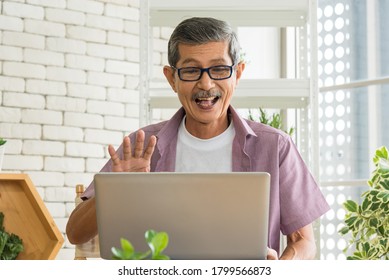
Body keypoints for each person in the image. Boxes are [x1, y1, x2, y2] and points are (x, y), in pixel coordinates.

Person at [66, 17, 330, 260]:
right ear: (172, 79)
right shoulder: (142, 145)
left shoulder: (275, 146)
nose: (205, 85)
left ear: (237, 74)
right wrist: (116, 190)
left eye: (218, 69)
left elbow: (303, 241)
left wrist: (279, 269)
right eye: (191, 71)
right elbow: (76, 234)